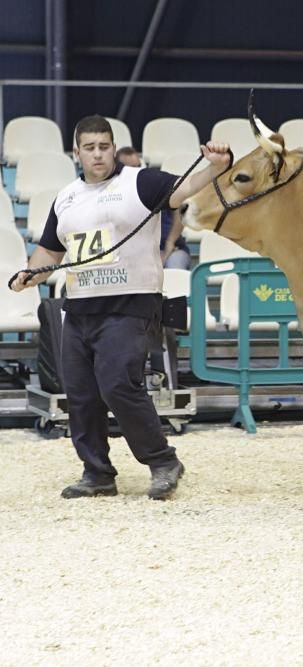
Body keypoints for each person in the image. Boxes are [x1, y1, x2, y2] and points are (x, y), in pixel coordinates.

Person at [11, 115, 233, 500]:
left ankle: (163, 461)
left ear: (114, 148)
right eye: (90, 147)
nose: (98, 154)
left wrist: (218, 166)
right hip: (78, 306)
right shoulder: (65, 198)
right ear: (76, 152)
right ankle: (97, 473)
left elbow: (183, 191)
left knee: (118, 384)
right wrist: (29, 274)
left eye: (104, 146)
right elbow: (50, 250)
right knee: (79, 394)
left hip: (131, 303)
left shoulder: (140, 181)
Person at [116, 147, 192, 270]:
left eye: (138, 166)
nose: (137, 171)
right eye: (131, 168)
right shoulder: (114, 195)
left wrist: (169, 243)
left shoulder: (153, 184)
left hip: (173, 250)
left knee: (175, 266)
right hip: (136, 256)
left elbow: (180, 209)